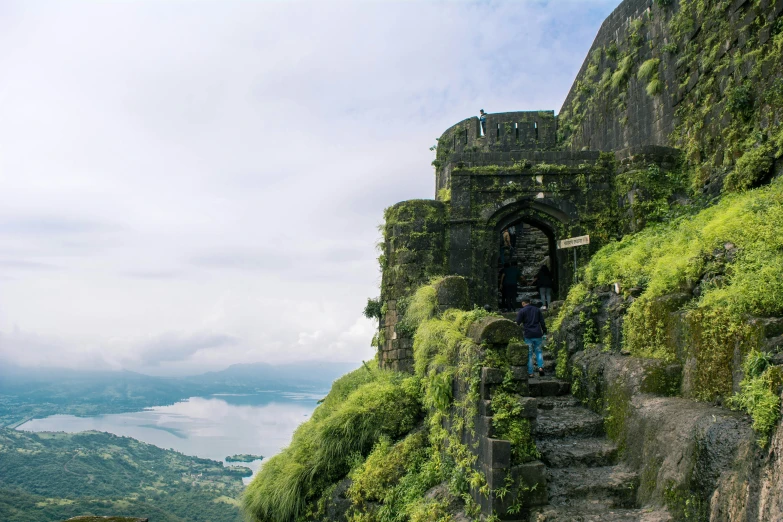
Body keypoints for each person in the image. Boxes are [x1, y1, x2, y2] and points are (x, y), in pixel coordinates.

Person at [516, 297, 547, 377]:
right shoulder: (537, 310)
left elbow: (517, 323)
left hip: (528, 334)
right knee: (539, 351)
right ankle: (540, 367)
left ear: (523, 303)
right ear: (530, 302)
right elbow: (542, 322)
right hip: (537, 333)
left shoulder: (522, 311)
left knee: (529, 354)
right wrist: (544, 330)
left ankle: (531, 373)